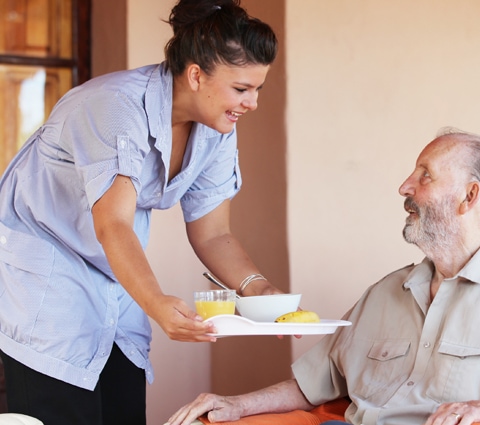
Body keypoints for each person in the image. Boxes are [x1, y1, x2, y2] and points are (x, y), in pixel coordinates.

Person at [166, 128, 480, 425]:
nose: (405, 186)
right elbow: (315, 382)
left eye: (425, 175)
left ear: (470, 196)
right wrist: (235, 404)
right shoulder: (384, 293)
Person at [0, 1, 285, 424]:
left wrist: (260, 292)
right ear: (195, 75)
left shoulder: (217, 128)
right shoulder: (114, 108)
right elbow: (112, 223)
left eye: (258, 89)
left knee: (123, 409)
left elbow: (212, 234)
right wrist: (156, 303)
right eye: (242, 89)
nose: (253, 103)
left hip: (117, 276)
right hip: (49, 281)